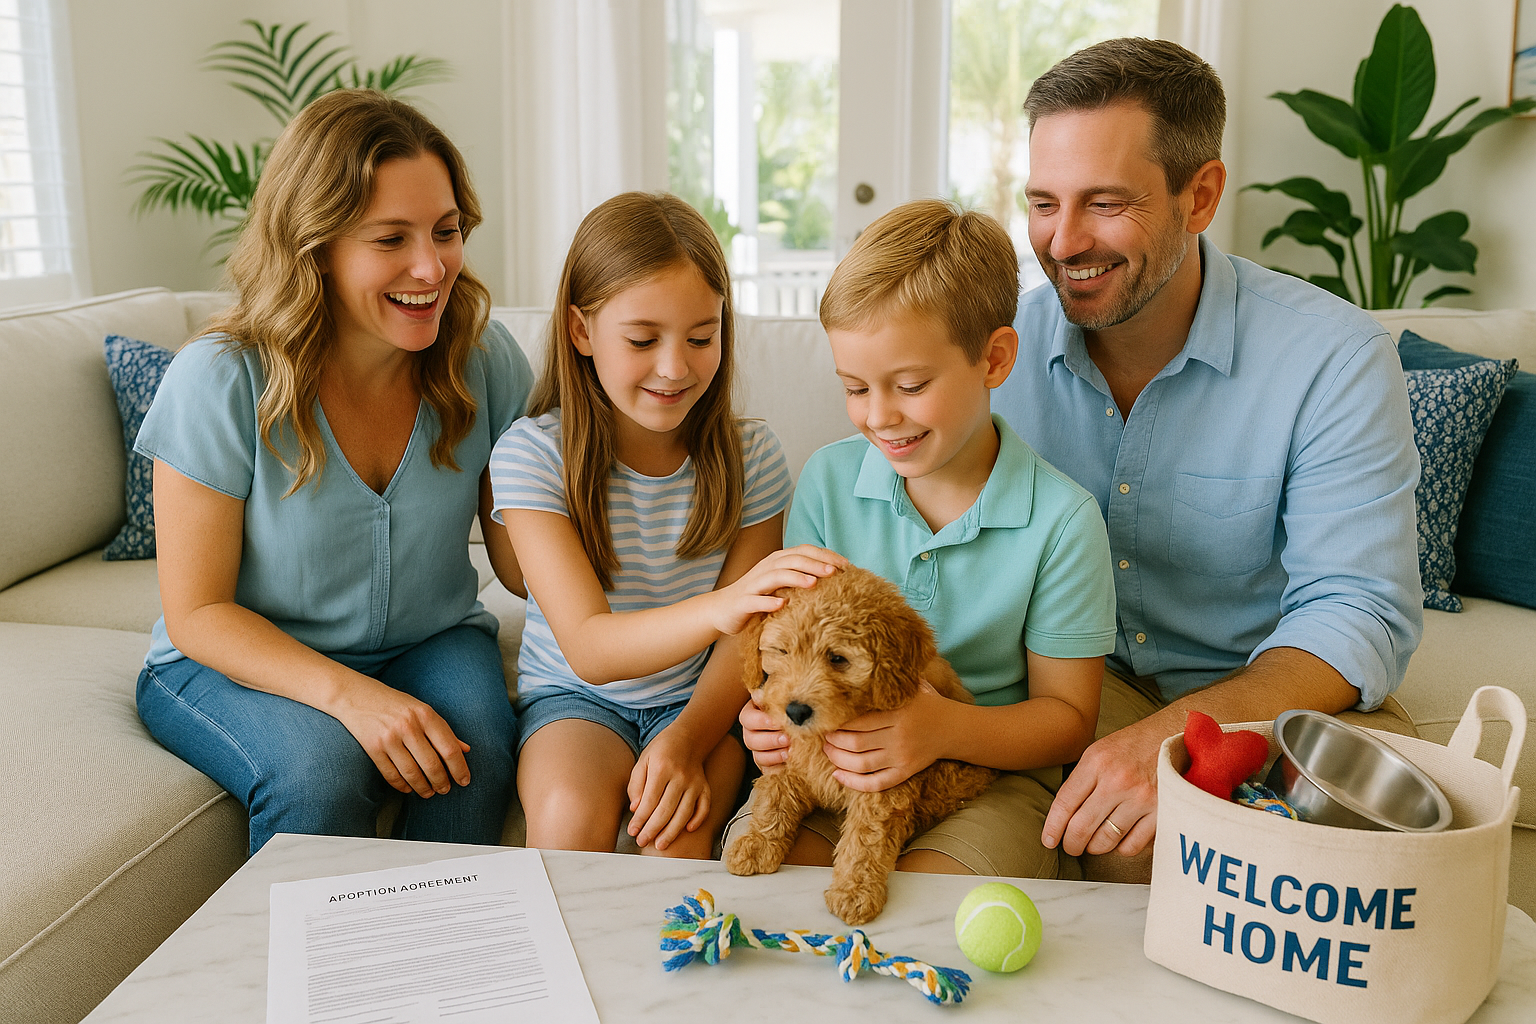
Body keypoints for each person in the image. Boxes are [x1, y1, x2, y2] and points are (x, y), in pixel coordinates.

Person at [992, 38, 1423, 881]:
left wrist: (1171, 737)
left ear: (1202, 196)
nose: (1063, 240)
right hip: (1065, 692)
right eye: (1044, 202)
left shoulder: (1333, 357)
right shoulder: (988, 348)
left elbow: (1358, 609)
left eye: (1106, 203)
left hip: (1260, 694)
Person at [134, 90, 533, 854]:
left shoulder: (485, 364)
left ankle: (450, 960)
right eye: (391, 239)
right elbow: (198, 613)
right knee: (320, 770)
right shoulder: (219, 380)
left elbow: (523, 569)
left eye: (446, 232)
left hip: (431, 638)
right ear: (314, 244)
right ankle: (315, 975)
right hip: (230, 657)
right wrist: (354, 698)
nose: (432, 267)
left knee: (477, 748)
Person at [731, 199, 1118, 879]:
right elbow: (785, 649)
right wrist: (766, 717)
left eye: (910, 386)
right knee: (775, 885)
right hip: (832, 759)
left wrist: (938, 728)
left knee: (926, 904)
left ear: (994, 359)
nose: (880, 417)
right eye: (855, 389)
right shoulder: (826, 480)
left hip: (986, 775)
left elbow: (1066, 720)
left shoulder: (1061, 520)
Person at [490, 191, 844, 859]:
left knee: (677, 844)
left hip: (699, 704)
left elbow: (738, 651)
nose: (675, 367)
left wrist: (685, 740)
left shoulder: (752, 455)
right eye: (643, 339)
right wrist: (729, 604)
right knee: (567, 820)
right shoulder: (531, 455)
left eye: (702, 337)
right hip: (576, 696)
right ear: (582, 331)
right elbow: (590, 649)